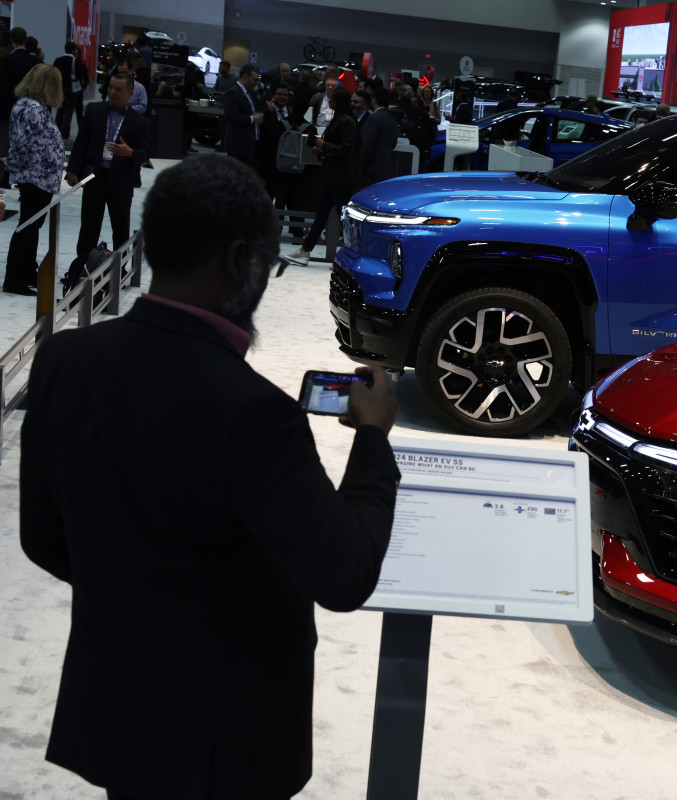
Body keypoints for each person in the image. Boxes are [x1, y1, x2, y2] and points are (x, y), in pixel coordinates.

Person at [20, 154, 400, 800]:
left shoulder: (63, 359)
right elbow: (345, 572)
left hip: (119, 711)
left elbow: (42, 537)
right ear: (238, 260)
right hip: (222, 739)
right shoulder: (254, 413)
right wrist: (372, 437)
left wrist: (137, 594)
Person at [65, 70, 150, 262]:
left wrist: (131, 153)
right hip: (94, 176)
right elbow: (81, 142)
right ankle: (82, 267)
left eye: (118, 89)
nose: (112, 92)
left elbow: (146, 154)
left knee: (120, 228)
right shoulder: (94, 110)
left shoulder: (139, 122)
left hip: (121, 179)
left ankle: (121, 270)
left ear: (130, 93)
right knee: (88, 227)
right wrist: (72, 170)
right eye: (110, 87)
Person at [3, 64, 63, 295]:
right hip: (36, 176)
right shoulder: (33, 108)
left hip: (38, 176)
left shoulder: (28, 105)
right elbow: (23, 140)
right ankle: (14, 277)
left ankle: (27, 272)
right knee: (28, 226)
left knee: (32, 225)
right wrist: (12, 161)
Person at [286, 87, 360, 266]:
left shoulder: (346, 121)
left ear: (337, 101)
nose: (329, 101)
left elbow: (347, 150)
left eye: (332, 99)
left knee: (344, 218)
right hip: (333, 176)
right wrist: (321, 150)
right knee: (322, 216)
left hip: (340, 178)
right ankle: (305, 251)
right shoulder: (341, 119)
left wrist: (323, 145)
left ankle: (355, 255)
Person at [0, 27, 41, 157]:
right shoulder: (37, 62)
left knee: (5, 150)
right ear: (25, 39)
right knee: (28, 151)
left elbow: (3, 89)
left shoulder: (6, 61)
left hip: (8, 112)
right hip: (31, 114)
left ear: (11, 39)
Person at [223, 64, 263, 169]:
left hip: (250, 145)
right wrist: (252, 119)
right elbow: (230, 117)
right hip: (238, 146)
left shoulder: (250, 93)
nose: (256, 83)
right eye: (254, 80)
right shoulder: (233, 93)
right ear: (245, 76)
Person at [359, 87, 398, 187]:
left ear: (374, 100)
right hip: (385, 170)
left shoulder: (373, 118)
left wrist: (359, 167)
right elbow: (393, 144)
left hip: (371, 172)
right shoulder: (392, 119)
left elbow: (366, 146)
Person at [52, 42, 89, 140]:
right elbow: (85, 78)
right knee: (68, 112)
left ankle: (56, 132)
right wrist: (82, 89)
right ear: (73, 50)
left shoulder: (58, 60)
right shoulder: (77, 63)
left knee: (59, 111)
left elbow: (53, 75)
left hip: (60, 89)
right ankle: (64, 134)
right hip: (73, 91)